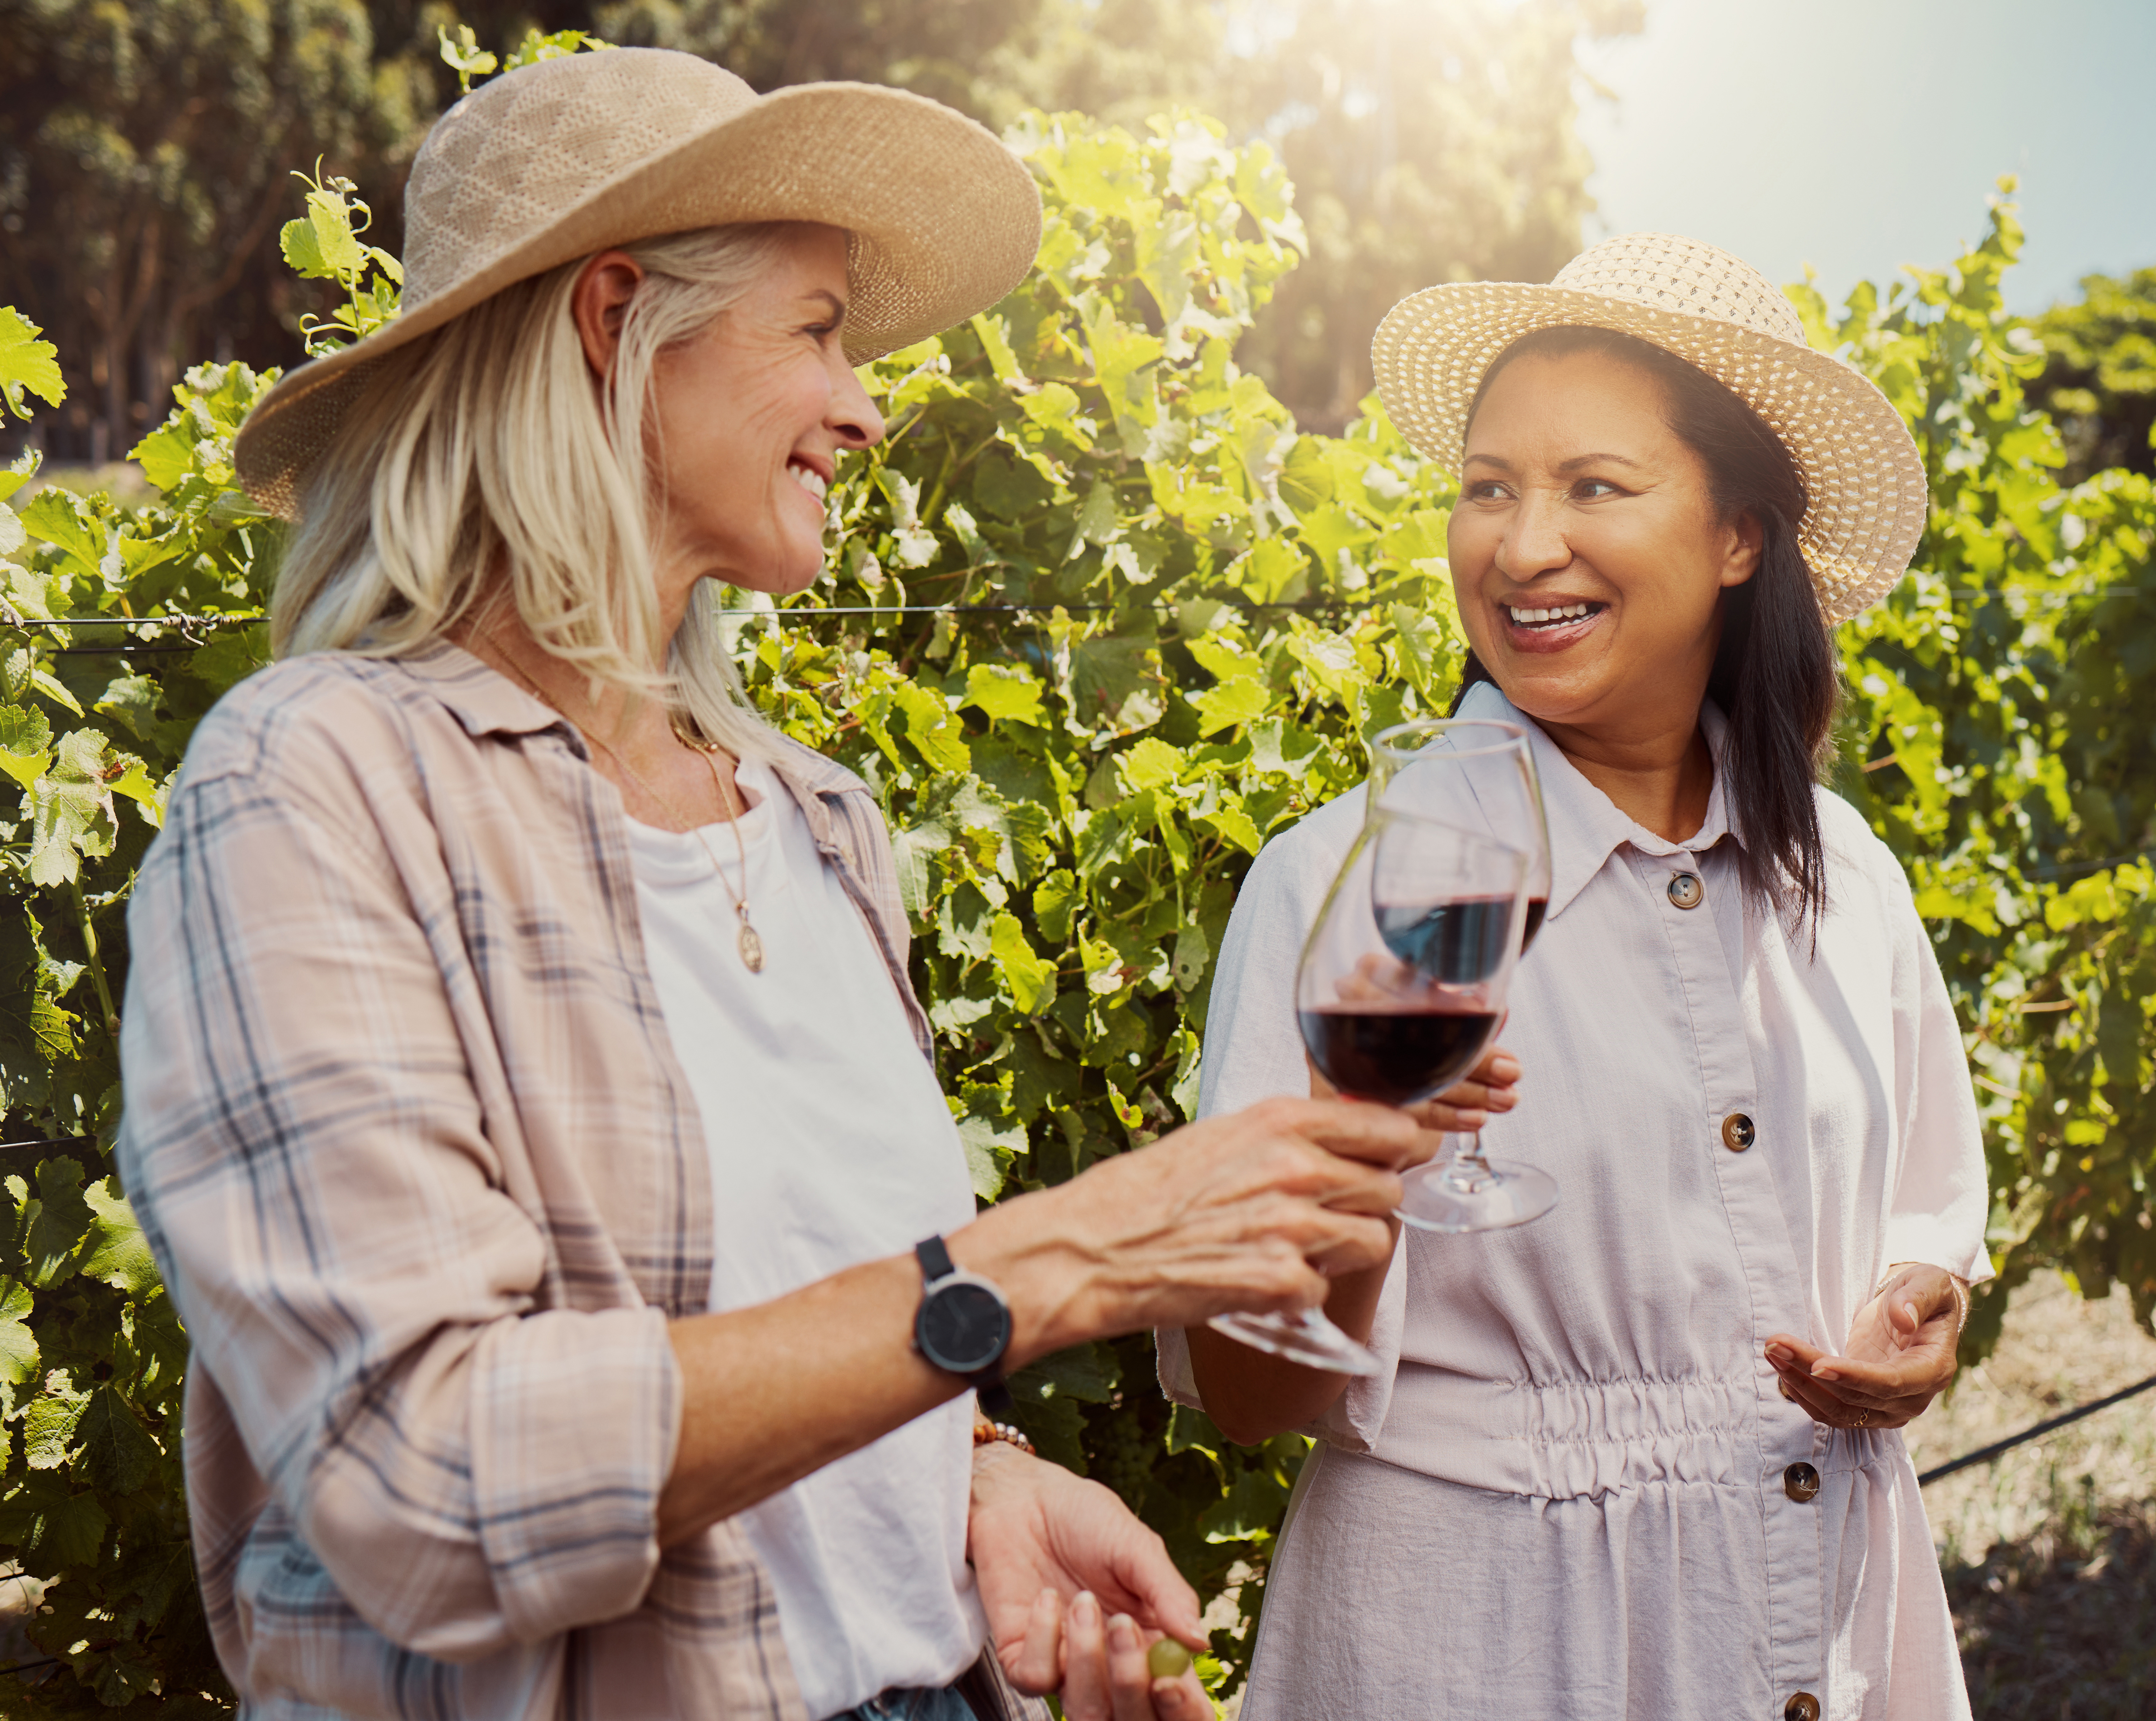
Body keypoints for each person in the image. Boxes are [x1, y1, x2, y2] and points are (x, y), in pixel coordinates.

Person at [113, 49, 1431, 1721]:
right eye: (814, 327)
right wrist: (1051, 1262)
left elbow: (802, 1312)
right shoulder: (316, 780)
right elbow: (422, 1480)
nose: (864, 404)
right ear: (612, 322)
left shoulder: (813, 820)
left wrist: (971, 1480)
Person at [1161, 233, 1991, 1721]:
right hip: (1479, 1648)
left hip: (1833, 1619)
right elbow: (1251, 1397)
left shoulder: (1843, 874)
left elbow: (1929, 1212)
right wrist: (1357, 1179)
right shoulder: (1355, 882)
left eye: (1592, 487)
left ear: (1739, 534)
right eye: (1489, 486)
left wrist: (1919, 1317)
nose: (1520, 544)